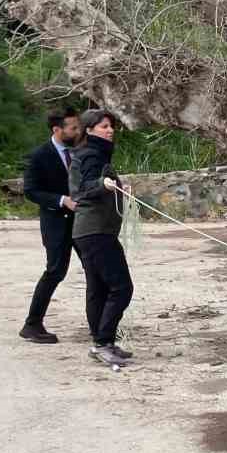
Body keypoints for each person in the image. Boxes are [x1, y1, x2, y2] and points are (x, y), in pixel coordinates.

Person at [69, 109, 136, 367]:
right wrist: (102, 185)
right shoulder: (90, 154)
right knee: (121, 288)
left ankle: (101, 343)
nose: (110, 130)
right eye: (104, 126)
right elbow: (82, 189)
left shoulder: (97, 154)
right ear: (89, 130)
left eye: (111, 126)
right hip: (94, 232)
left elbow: (95, 184)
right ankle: (102, 342)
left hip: (93, 231)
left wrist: (117, 189)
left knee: (98, 289)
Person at [19, 109, 83, 343]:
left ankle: (101, 326)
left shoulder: (81, 151)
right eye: (73, 128)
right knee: (55, 271)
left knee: (96, 270)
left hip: (83, 223)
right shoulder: (39, 156)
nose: (78, 131)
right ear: (57, 130)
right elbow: (31, 191)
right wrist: (61, 200)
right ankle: (32, 324)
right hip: (56, 223)